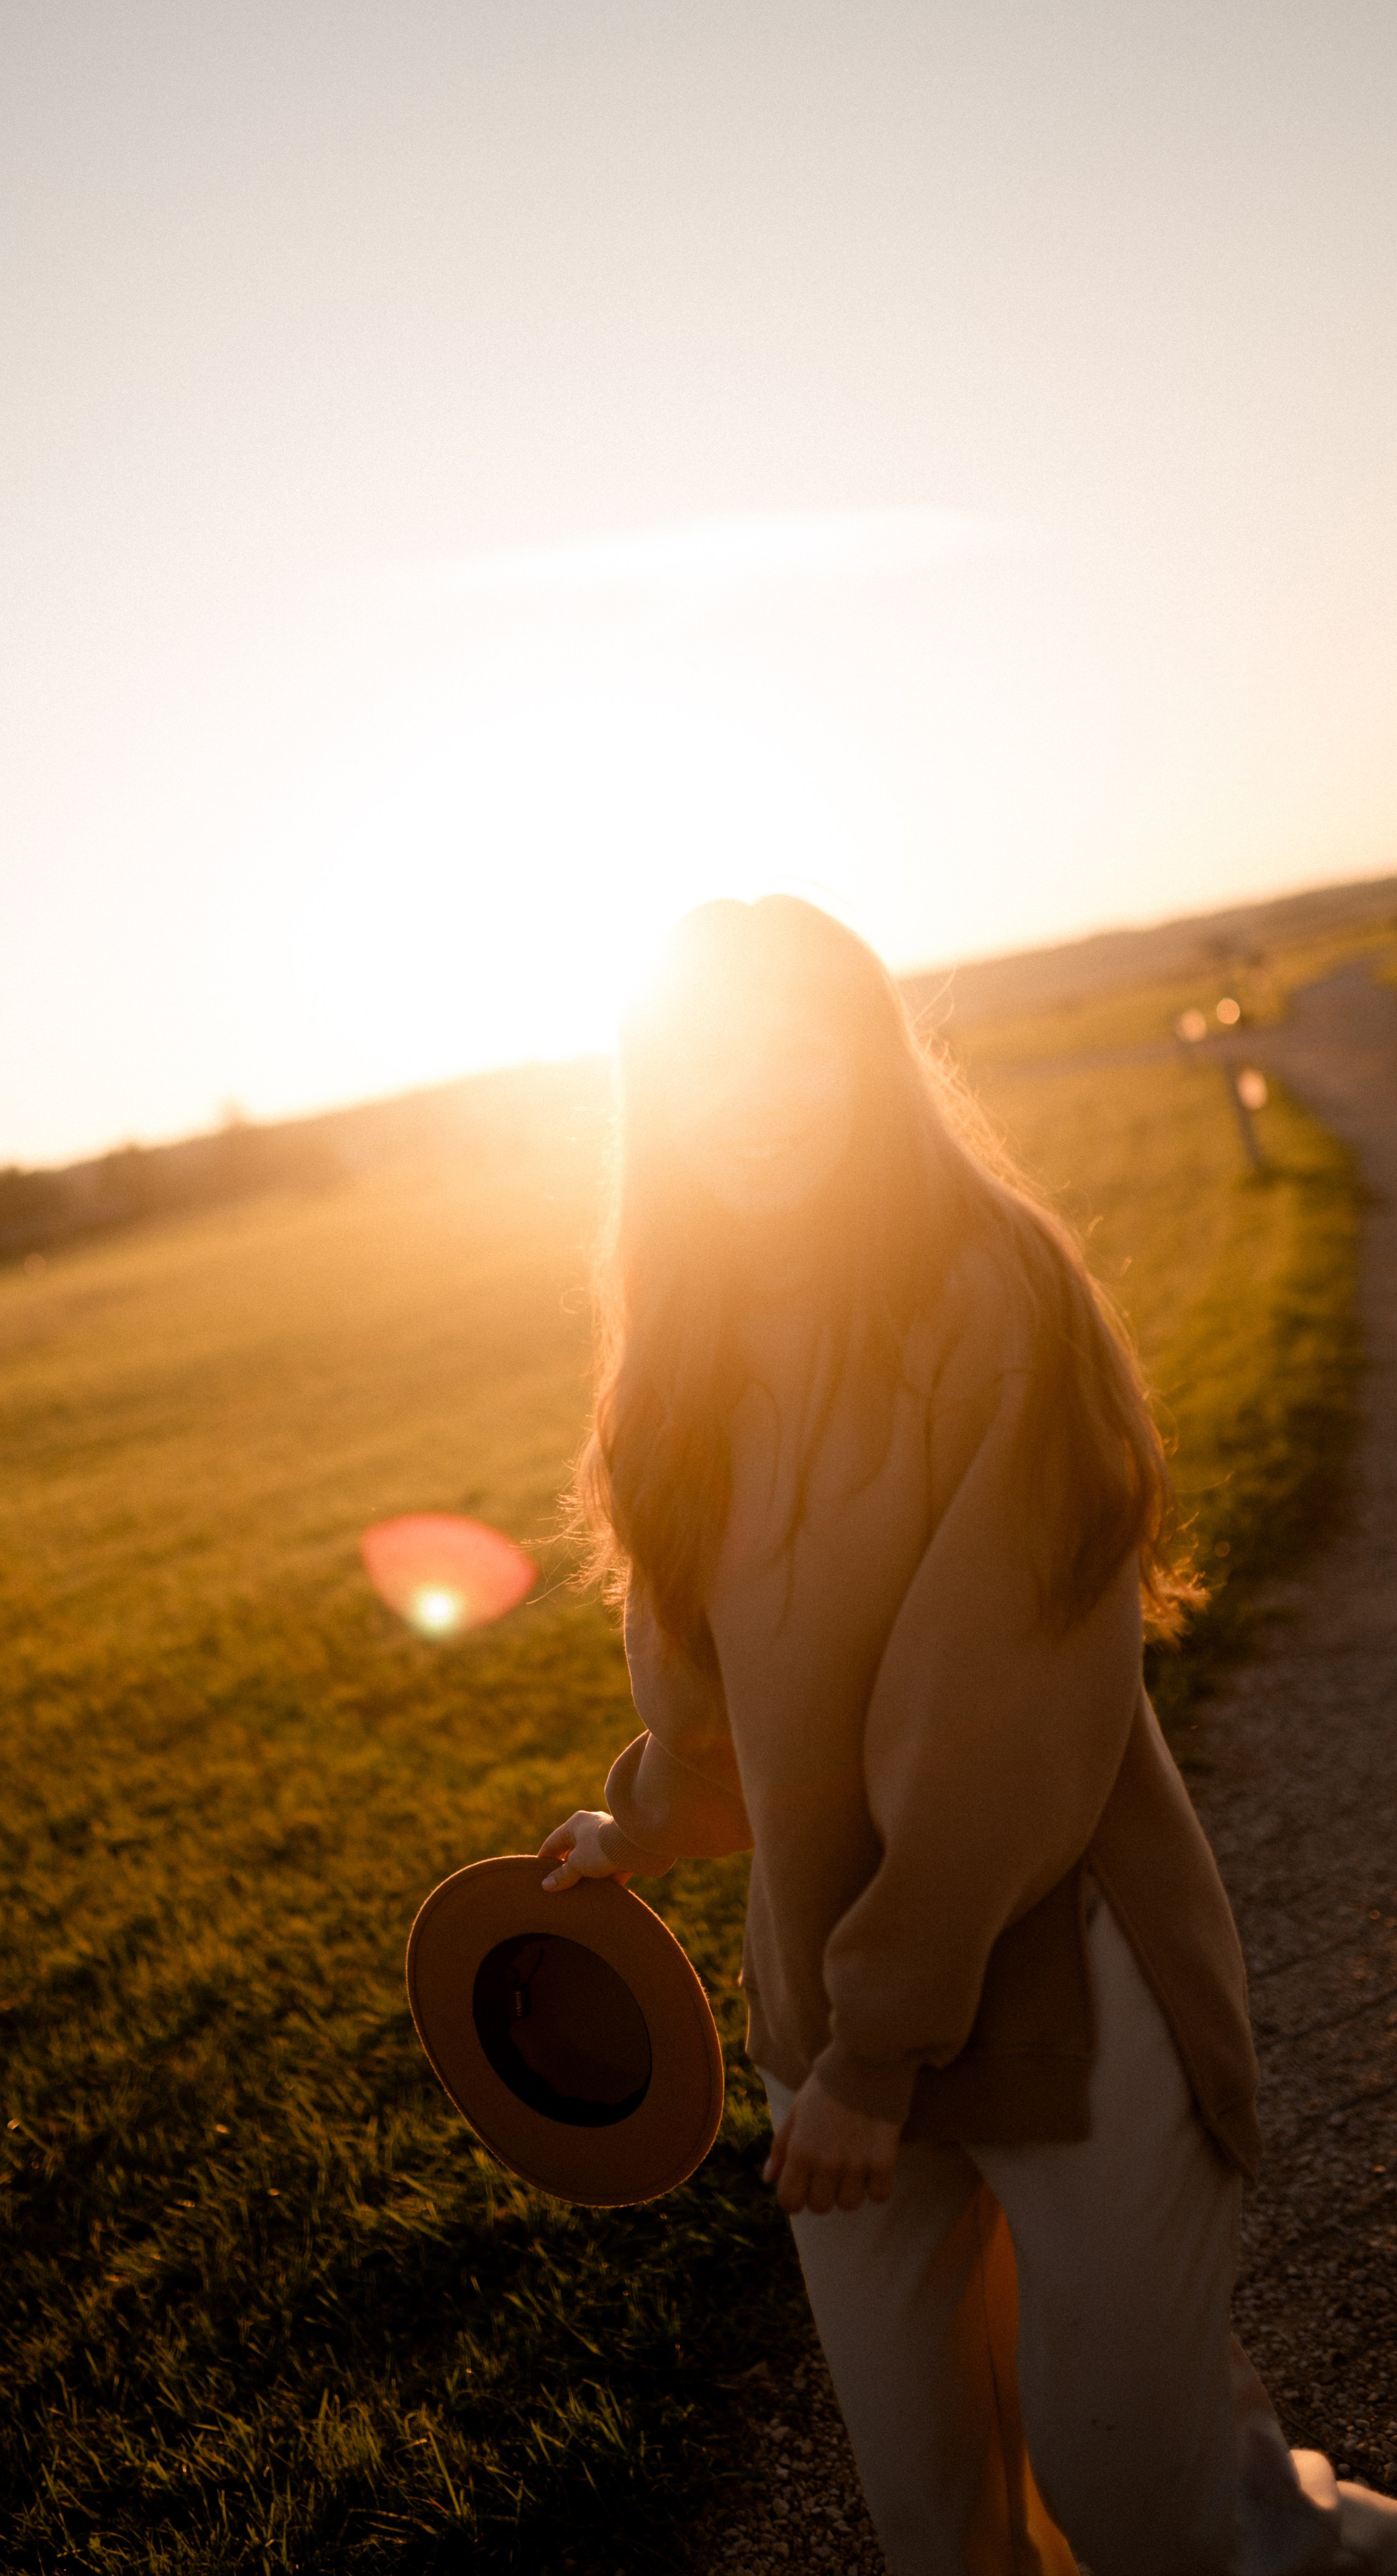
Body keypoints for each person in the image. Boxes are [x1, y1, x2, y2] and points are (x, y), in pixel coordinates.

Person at [537, 897, 1397, 2576]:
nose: (763, 1095)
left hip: (1053, 1976)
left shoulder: (988, 1291)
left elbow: (985, 1708)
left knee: (1136, 2506)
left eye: (802, 1049)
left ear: (871, 1064)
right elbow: (728, 1714)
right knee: (940, 2513)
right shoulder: (673, 1364)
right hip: (831, 2015)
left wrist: (874, 2046)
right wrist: (636, 1822)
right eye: (715, 1061)